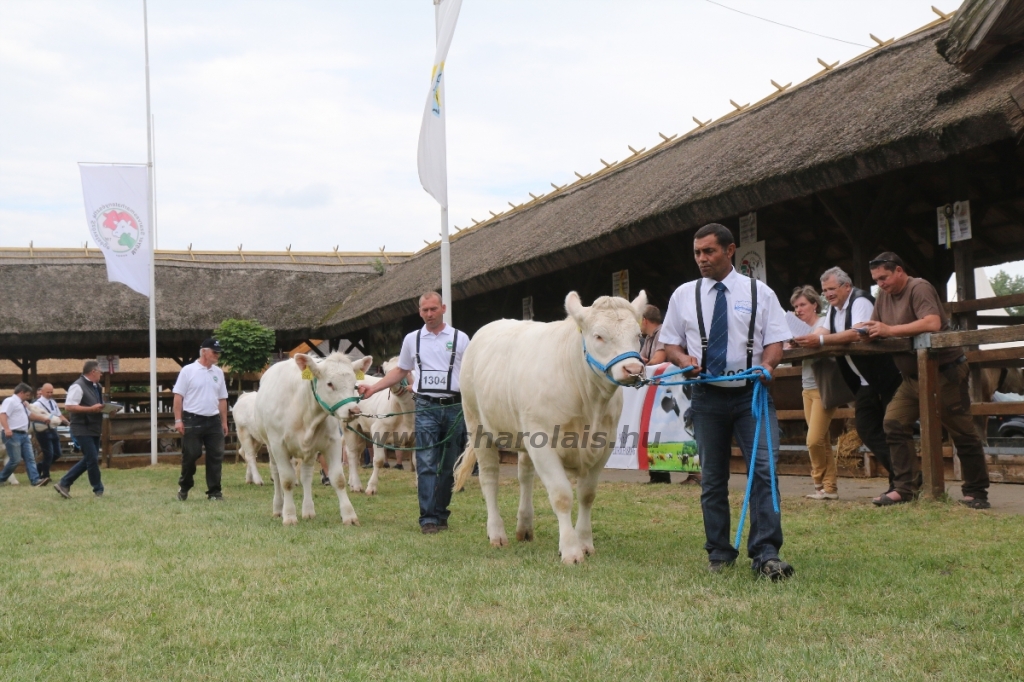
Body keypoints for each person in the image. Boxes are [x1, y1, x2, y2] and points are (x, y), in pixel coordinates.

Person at [661, 223, 793, 580]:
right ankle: (719, 553)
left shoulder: (760, 293)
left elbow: (777, 340)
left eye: (709, 252)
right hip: (706, 396)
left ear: (729, 250)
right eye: (697, 253)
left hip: (752, 395)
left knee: (763, 472)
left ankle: (766, 554)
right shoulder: (683, 295)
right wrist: (682, 360)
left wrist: (767, 365)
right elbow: (670, 343)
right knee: (713, 479)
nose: (702, 259)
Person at [862, 252, 990, 509]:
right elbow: (876, 324)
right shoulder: (883, 297)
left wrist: (889, 331)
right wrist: (868, 332)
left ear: (899, 271)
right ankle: (905, 488)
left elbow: (932, 322)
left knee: (961, 430)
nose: (880, 284)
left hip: (944, 370)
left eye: (884, 277)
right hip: (912, 376)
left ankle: (976, 491)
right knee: (893, 422)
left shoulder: (918, 287)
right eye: (876, 280)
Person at [358, 291, 469, 535]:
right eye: (424, 310)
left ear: (443, 308)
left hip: (454, 407)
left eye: (433, 309)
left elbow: (471, 373)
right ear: (419, 312)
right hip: (425, 406)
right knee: (427, 462)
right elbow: (400, 371)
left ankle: (441, 512)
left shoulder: (461, 339)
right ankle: (427, 518)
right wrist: (374, 388)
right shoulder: (412, 339)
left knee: (448, 464)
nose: (429, 314)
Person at [792, 266, 902, 498]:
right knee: (867, 429)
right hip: (864, 381)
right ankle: (901, 480)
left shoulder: (860, 301)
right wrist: (808, 339)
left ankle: (903, 483)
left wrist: (820, 340)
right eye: (825, 290)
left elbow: (857, 333)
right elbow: (824, 329)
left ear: (846, 287)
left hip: (882, 376)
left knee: (892, 429)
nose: (828, 294)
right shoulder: (835, 309)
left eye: (832, 289)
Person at [789, 285, 838, 500]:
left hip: (823, 387)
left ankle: (818, 480)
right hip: (806, 388)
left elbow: (814, 341)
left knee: (813, 440)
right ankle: (829, 489)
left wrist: (792, 337)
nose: (798, 310)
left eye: (802, 305)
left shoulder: (823, 323)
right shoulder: (798, 331)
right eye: (795, 306)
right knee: (822, 441)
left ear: (814, 304)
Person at [173, 338, 229, 501]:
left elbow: (222, 398)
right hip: (193, 419)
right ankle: (184, 486)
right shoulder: (188, 371)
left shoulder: (218, 373)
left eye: (218, 352)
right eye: (214, 352)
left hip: (213, 420)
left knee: (216, 455)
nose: (217, 355)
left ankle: (214, 492)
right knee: (191, 454)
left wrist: (224, 421)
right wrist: (178, 420)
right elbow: (178, 396)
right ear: (204, 351)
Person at [54, 363, 106, 498]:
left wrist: (108, 410)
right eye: (100, 371)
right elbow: (69, 406)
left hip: (94, 427)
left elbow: (98, 407)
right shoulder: (77, 386)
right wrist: (90, 409)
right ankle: (98, 489)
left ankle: (64, 483)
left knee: (90, 458)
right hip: (81, 427)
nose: (102, 374)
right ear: (93, 371)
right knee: (92, 458)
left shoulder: (97, 387)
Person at [1, 383, 50, 487]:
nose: (28, 397)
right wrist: (6, 429)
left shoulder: (22, 404)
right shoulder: (10, 401)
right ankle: (1, 478)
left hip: (24, 434)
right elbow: (3, 414)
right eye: (27, 395)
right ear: (21, 392)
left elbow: (30, 415)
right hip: (13, 434)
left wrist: (43, 418)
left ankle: (35, 480)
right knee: (15, 460)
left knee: (30, 458)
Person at [34, 382, 69, 485]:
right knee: (48, 454)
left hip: (53, 429)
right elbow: (34, 417)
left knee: (57, 453)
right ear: (43, 392)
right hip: (43, 430)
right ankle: (45, 475)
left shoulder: (53, 402)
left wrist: (67, 423)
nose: (50, 394)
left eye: (51, 392)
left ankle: (40, 467)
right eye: (47, 392)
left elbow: (59, 415)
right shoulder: (37, 404)